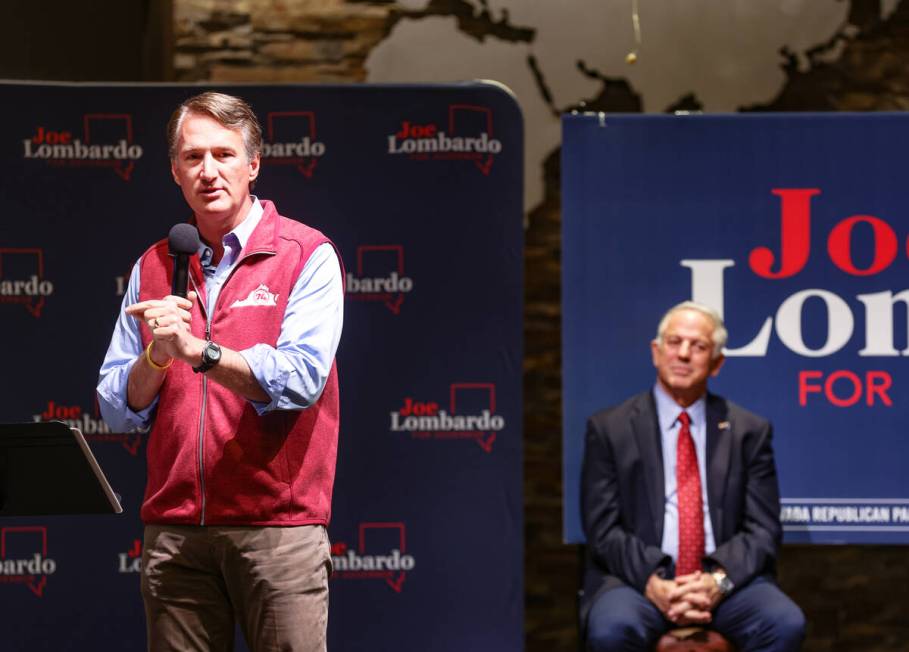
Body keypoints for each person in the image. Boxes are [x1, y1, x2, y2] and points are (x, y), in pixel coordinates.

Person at [97, 91, 344, 652]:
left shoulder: (306, 254)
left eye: (224, 155)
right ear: (174, 171)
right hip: (175, 533)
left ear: (253, 164)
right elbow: (116, 405)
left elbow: (301, 378)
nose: (209, 171)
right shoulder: (154, 264)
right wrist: (156, 358)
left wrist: (199, 352)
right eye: (193, 158)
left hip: (276, 532)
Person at [580, 301, 805, 651]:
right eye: (674, 342)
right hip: (636, 583)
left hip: (725, 585)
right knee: (612, 628)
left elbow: (763, 530)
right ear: (656, 352)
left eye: (698, 346)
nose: (683, 354)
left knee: (784, 623)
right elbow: (603, 529)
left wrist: (718, 583)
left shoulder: (748, 431)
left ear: (717, 363)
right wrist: (652, 584)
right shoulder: (610, 428)